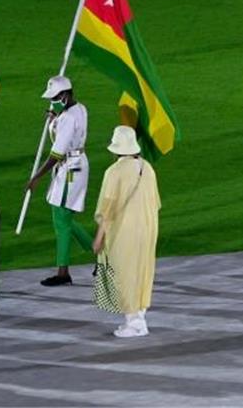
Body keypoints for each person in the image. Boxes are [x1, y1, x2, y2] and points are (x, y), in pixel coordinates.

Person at [93, 126, 161, 338]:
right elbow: (156, 203)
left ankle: (134, 321)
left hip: (125, 230)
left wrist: (99, 237)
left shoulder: (114, 172)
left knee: (124, 272)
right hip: (148, 227)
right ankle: (138, 316)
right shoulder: (147, 167)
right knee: (142, 269)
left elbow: (107, 209)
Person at [26, 75, 93, 286]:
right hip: (76, 163)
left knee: (62, 219)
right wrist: (55, 119)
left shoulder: (67, 118)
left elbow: (56, 153)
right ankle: (101, 254)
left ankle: (63, 272)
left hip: (69, 168)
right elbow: (68, 129)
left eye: (55, 97)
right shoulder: (79, 109)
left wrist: (37, 176)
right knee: (64, 219)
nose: (53, 101)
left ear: (64, 95)